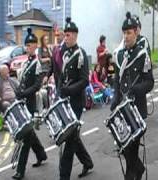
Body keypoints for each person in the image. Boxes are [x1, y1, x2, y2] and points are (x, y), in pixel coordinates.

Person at [111, 12, 154, 180]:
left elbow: (150, 82)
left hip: (137, 111)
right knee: (125, 149)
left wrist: (138, 89)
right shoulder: (119, 55)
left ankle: (133, 175)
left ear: (136, 33)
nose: (126, 36)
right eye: (124, 33)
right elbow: (117, 80)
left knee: (131, 151)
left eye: (129, 33)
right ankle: (140, 169)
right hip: (122, 110)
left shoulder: (142, 54)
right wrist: (115, 98)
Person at [58, 17, 94, 180]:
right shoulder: (65, 53)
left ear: (75, 36)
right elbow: (62, 76)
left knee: (69, 141)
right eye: (65, 35)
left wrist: (69, 90)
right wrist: (59, 92)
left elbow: (85, 80)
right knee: (73, 137)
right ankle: (87, 162)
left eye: (69, 35)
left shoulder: (81, 54)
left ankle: (63, 176)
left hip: (76, 102)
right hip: (65, 101)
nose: (66, 38)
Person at [13, 28, 48, 180]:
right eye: (26, 45)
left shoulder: (37, 63)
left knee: (26, 139)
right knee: (30, 134)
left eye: (31, 45)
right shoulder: (26, 62)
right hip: (23, 102)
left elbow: (36, 86)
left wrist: (24, 93)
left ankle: (20, 170)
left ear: (35, 46)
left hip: (31, 103)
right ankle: (41, 154)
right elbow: (23, 82)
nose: (28, 47)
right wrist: (18, 93)